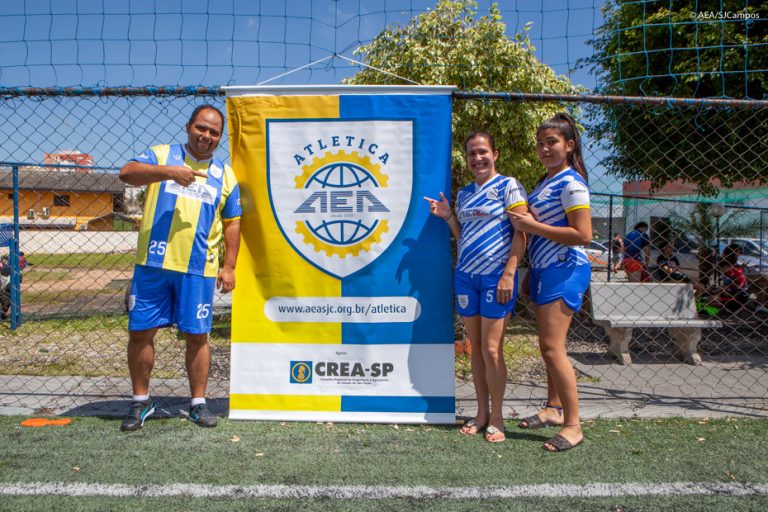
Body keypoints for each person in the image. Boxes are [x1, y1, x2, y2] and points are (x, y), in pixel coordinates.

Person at [118, 105, 241, 431]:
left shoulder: (225, 175)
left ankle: (198, 404)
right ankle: (140, 403)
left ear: (219, 137)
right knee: (140, 333)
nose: (207, 136)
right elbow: (127, 172)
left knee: (197, 336)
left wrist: (229, 266)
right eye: (202, 128)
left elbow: (232, 222)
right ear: (189, 127)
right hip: (153, 265)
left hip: (198, 270)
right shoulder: (162, 154)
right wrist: (170, 172)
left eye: (214, 132)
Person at [425, 132, 527, 443]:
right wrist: (448, 217)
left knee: (492, 349)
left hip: (497, 278)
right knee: (476, 348)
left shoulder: (509, 186)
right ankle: (481, 412)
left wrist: (509, 273)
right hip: (466, 276)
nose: (477, 158)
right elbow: (462, 236)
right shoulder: (465, 193)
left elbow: (522, 232)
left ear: (495, 153)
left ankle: (497, 416)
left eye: (483, 152)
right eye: (471, 153)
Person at [507, 113, 591, 452]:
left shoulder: (571, 183)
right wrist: (531, 271)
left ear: (569, 146)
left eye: (552, 142)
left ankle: (573, 425)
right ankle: (554, 408)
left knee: (553, 348)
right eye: (541, 143)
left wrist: (531, 226)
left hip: (566, 268)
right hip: (544, 270)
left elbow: (582, 235)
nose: (544, 148)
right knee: (547, 346)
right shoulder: (546, 182)